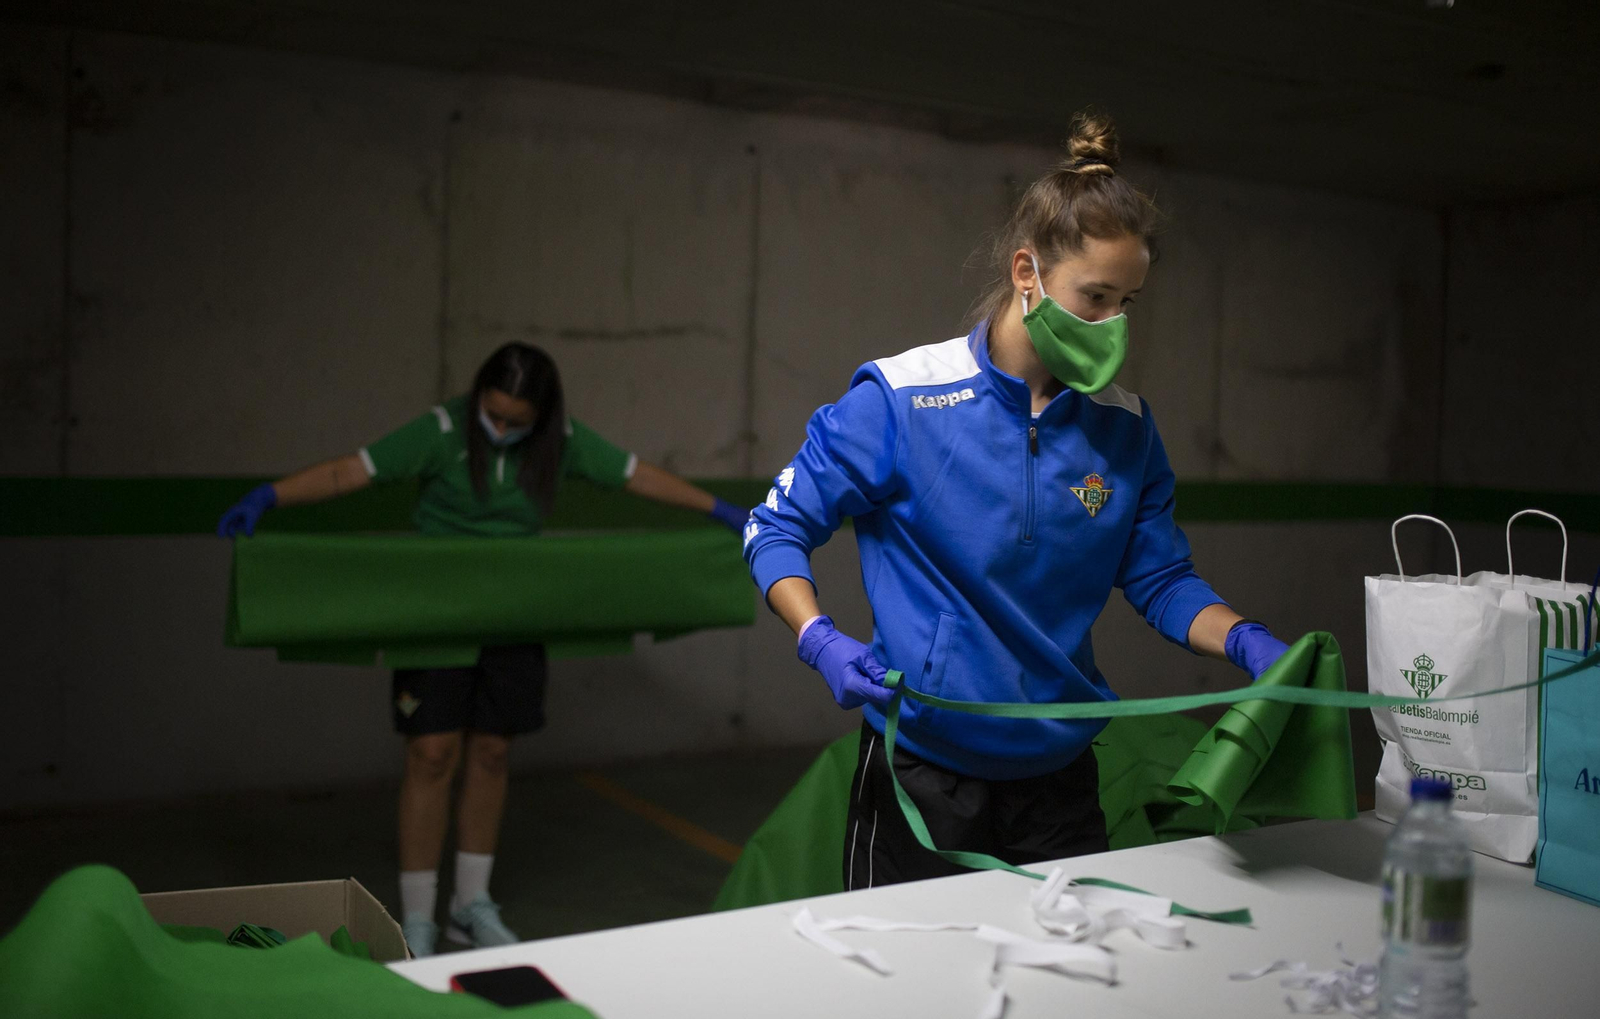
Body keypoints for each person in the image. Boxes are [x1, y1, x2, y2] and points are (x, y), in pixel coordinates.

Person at [742, 111, 1290, 890]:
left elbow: (1162, 581)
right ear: (1027, 272)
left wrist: (1245, 640)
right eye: (1095, 297)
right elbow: (775, 527)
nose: (1113, 325)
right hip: (924, 775)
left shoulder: (1126, 431)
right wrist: (819, 636)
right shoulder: (900, 399)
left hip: (1060, 784)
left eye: (1128, 303)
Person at [218, 342, 748, 954]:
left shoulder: (562, 439)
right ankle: (417, 918)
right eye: (492, 415)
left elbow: (635, 474)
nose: (501, 429)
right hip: (436, 614)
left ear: (541, 418)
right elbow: (350, 471)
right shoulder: (441, 432)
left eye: (516, 422)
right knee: (432, 753)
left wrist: (719, 509)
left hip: (514, 612)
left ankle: (470, 905)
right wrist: (271, 495)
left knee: (493, 752)